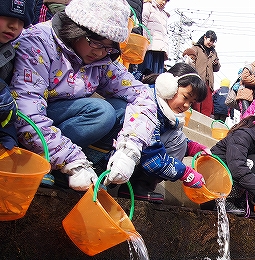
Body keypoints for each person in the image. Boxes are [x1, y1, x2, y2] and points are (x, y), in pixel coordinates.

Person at [10, 0, 158, 192]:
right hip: (31, 128)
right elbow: (26, 112)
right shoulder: (38, 43)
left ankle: (84, 169)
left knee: (121, 110)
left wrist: (130, 150)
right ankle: (45, 160)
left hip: (62, 125)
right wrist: (74, 161)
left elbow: (142, 95)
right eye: (95, 42)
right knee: (101, 112)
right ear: (76, 28)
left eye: (108, 47)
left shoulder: (102, 60)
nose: (99, 52)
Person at [116, 63, 209, 202]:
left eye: (191, 102)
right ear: (169, 86)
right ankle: (139, 185)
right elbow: (153, 157)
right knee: (178, 139)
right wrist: (186, 173)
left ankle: (140, 185)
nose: (186, 106)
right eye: (185, 97)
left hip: (132, 158)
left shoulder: (166, 112)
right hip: (116, 157)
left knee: (180, 139)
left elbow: (165, 137)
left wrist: (193, 148)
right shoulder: (147, 107)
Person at [0, 0, 35, 150]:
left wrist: (7, 134)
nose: (14, 26)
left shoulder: (8, 56)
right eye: (6, 16)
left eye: (21, 21)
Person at [191, 30, 220, 117]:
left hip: (209, 82)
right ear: (205, 37)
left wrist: (216, 64)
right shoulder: (196, 48)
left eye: (213, 41)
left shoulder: (214, 52)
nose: (210, 43)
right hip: (197, 80)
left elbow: (217, 68)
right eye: (209, 40)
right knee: (196, 104)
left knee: (206, 107)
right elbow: (190, 62)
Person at [137, 0, 170, 74]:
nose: (164, 2)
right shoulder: (148, 6)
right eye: (163, 0)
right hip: (149, 47)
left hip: (160, 49)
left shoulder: (164, 14)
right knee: (145, 72)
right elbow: (143, 24)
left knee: (156, 76)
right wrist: (143, 43)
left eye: (166, 1)